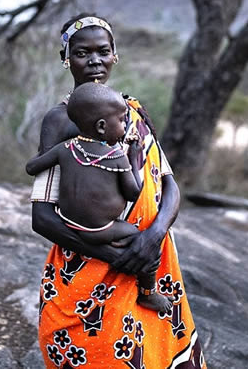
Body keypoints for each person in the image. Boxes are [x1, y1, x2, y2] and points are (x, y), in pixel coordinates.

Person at [30, 14, 207, 369]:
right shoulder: (61, 122)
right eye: (82, 53)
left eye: (102, 51)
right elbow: (42, 217)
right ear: (66, 59)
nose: (94, 61)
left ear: (115, 56)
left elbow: (169, 183)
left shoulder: (133, 112)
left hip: (154, 258)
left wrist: (152, 238)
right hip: (92, 264)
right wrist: (119, 259)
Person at [26, 81, 173, 314]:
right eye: (123, 119)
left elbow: (32, 167)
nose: (126, 124)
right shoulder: (116, 157)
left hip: (71, 226)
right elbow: (133, 192)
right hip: (102, 230)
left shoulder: (66, 148)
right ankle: (148, 293)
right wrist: (134, 158)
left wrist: (45, 153)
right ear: (102, 127)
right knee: (145, 245)